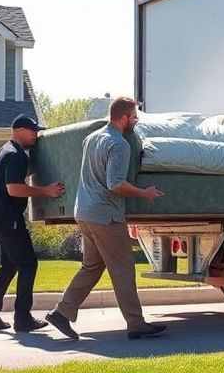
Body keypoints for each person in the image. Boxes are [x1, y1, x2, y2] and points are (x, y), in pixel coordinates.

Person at [45, 97, 166, 340]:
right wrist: (145, 193)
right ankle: (136, 323)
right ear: (123, 118)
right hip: (105, 216)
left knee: (92, 266)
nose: (136, 120)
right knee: (123, 269)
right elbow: (115, 184)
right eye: (134, 117)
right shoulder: (119, 144)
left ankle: (62, 312)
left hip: (85, 212)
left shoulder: (92, 138)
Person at [0, 115, 65, 332]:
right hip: (9, 220)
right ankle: (23, 319)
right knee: (28, 264)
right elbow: (13, 188)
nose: (36, 134)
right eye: (32, 130)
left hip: (0, 218)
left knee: (9, 266)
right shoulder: (15, 155)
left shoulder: (4, 150)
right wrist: (46, 191)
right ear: (18, 130)